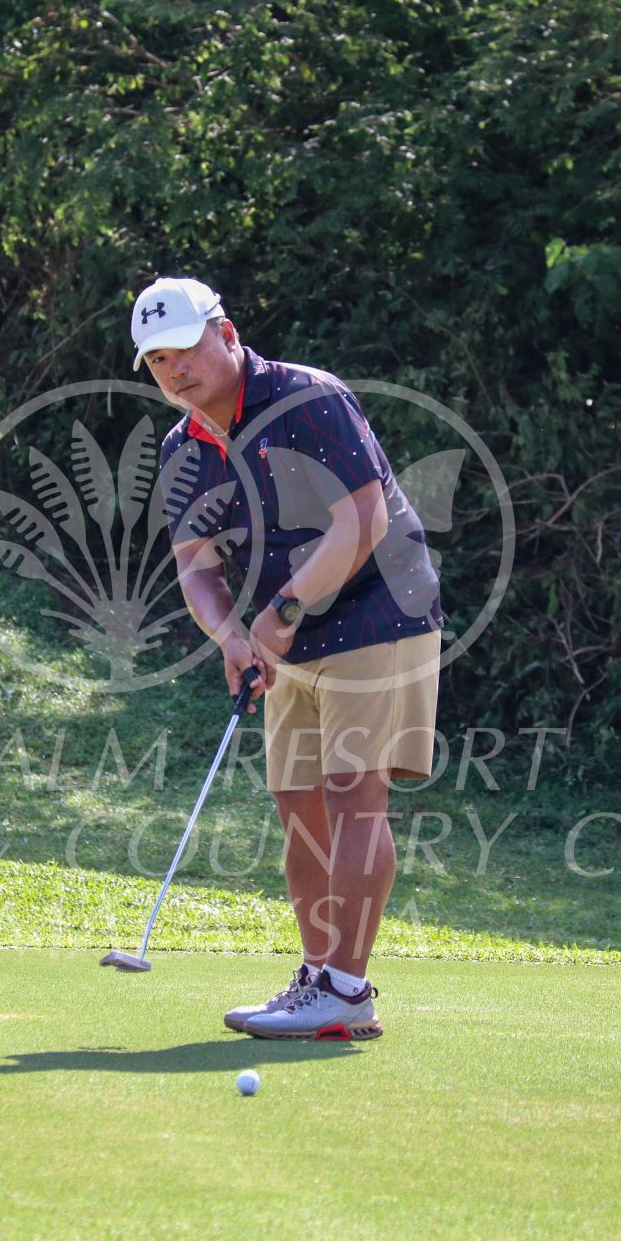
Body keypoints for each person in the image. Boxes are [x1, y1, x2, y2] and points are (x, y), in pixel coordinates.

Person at [133, 276, 444, 1040]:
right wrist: (231, 637)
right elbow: (196, 567)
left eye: (185, 349)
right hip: (289, 629)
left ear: (228, 335)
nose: (174, 370)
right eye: (157, 360)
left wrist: (278, 614)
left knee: (351, 792)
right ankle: (316, 982)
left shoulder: (310, 399)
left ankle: (348, 986)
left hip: (381, 609)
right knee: (297, 801)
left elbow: (362, 521)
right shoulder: (184, 448)